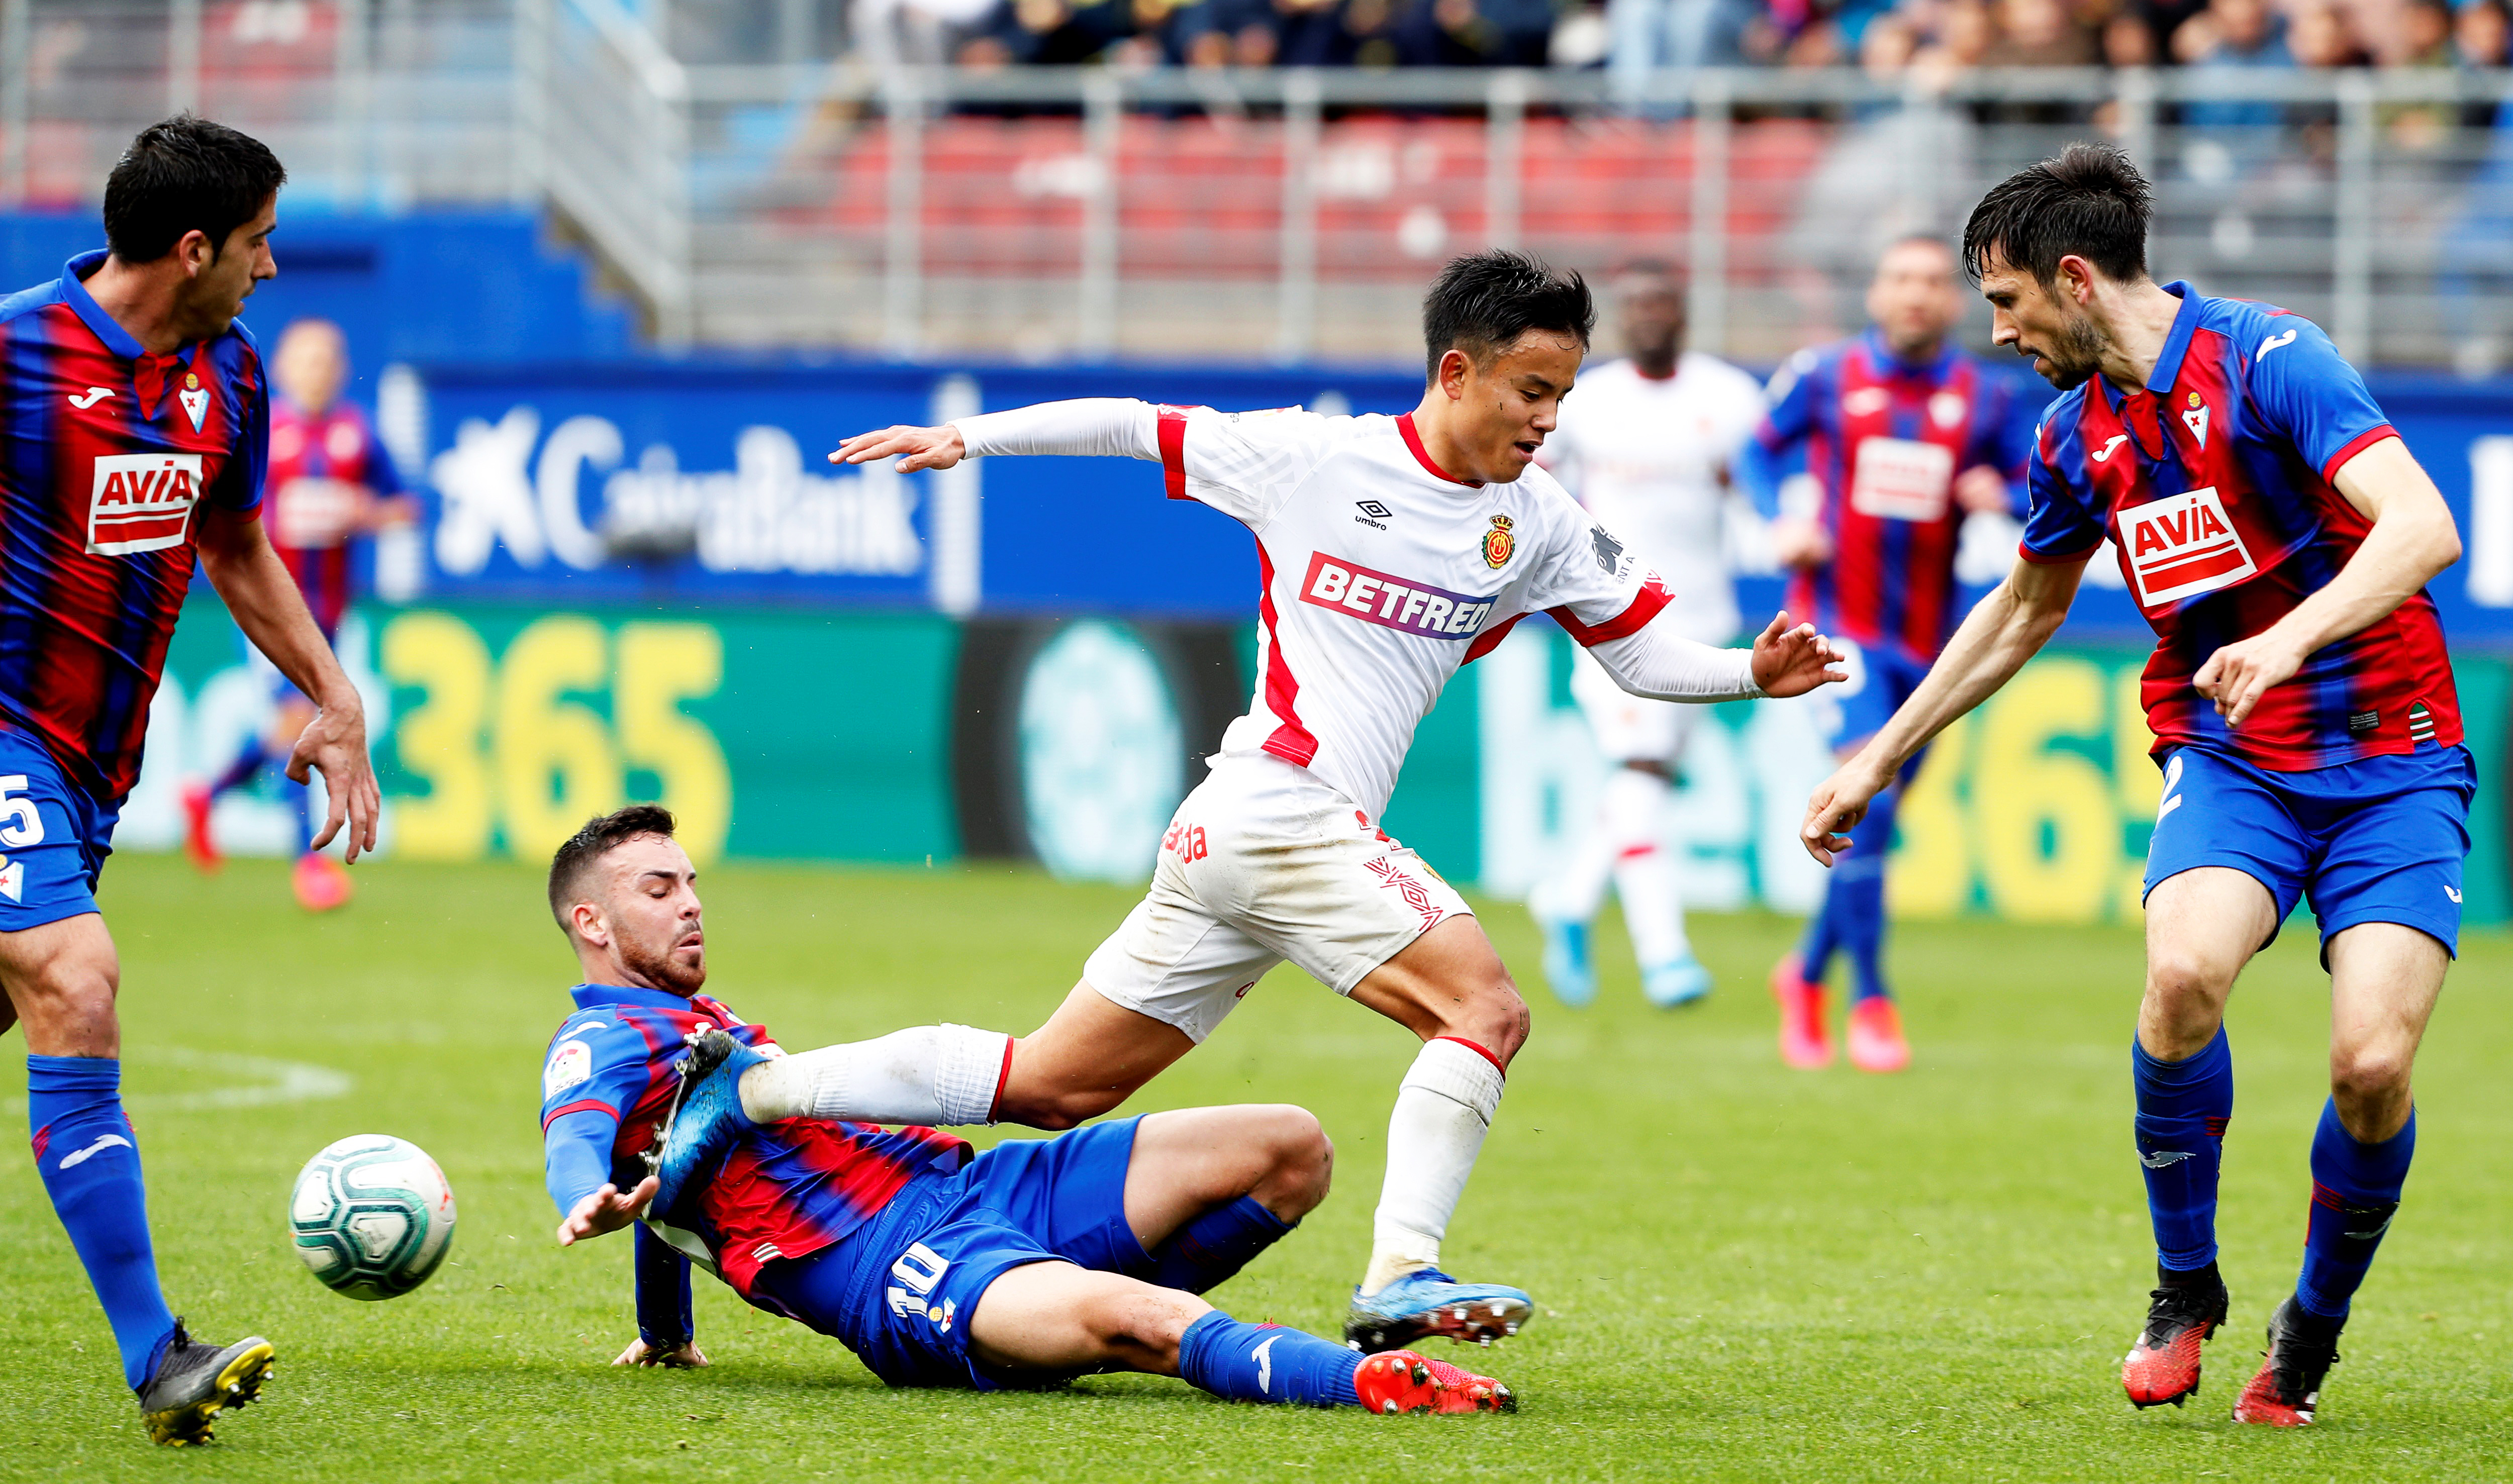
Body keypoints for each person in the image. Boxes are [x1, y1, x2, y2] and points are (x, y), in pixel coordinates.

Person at [811, 249, 1845, 1355]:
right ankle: (1402, 1269)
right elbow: (1135, 423)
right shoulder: (1312, 455)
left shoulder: (1535, 519)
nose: (1549, 419)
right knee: (1484, 1011)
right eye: (1532, 391)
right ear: (1457, 372)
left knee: (1053, 1082)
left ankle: (754, 1091)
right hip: (1280, 808)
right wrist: (972, 438)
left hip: (1236, 835)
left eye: (1562, 396)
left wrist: (1750, 672)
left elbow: (1640, 658)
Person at [1801, 144, 2469, 1427]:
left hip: (2393, 757)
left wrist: (2284, 640)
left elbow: (2423, 525)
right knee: (2178, 979)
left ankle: (2309, 1333)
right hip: (2232, 758)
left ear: (2073, 280)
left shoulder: (2271, 359)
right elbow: (2021, 608)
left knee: (2370, 1066)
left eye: (2003, 304)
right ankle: (2183, 1287)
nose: (1995, 334)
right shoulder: (2075, 435)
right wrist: (1876, 756)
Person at [538, 805, 1514, 1414]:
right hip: (900, 1267)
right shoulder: (607, 1039)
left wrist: (664, 1330)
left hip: (972, 1185)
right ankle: (1361, 1378)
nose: (692, 904)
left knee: (1288, 1146)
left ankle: (1076, 1314)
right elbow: (583, 1137)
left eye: (692, 883)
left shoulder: (693, 1021)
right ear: (591, 920)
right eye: (659, 888)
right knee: (1151, 1316)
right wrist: (582, 1193)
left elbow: (663, 1180)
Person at [0, 117, 381, 1444]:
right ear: (194, 244)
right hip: (6, 743)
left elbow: (234, 544)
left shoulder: (227, 367)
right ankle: (156, 1350)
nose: (273, 270)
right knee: (76, 975)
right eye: (264, 241)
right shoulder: (16, 354)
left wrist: (334, 695)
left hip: (94, 765)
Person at [1736, 235, 2031, 1073]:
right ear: (1876, 293)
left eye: (1934, 282)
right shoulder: (1825, 374)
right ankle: (1870, 998)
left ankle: (1803, 973)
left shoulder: (1982, 395)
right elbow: (1757, 450)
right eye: (1901, 278)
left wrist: (2001, 493)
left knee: (1877, 818)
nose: (1916, 294)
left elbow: (2040, 482)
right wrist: (1779, 519)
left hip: (1934, 648)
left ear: (1954, 301)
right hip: (1842, 628)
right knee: (1864, 783)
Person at [1526, 260, 1768, 1010]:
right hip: (1611, 615)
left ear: (1684, 313)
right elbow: (1544, 487)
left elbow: (1751, 484)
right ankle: (1665, 954)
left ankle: (1566, 898)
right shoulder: (1588, 403)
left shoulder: (1727, 397)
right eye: (1635, 306)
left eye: (1662, 302)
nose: (1649, 316)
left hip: (1702, 618)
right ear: (1619, 319)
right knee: (1640, 766)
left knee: (1648, 777)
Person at [179, 318, 414, 911]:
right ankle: (307, 865)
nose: (318, 371)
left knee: (293, 725)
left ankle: (208, 794)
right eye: (307, 360)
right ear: (282, 369)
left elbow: (406, 507)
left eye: (329, 360)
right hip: (268, 610)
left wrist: (362, 513)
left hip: (329, 615)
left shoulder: (357, 433)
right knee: (297, 723)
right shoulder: (264, 428)